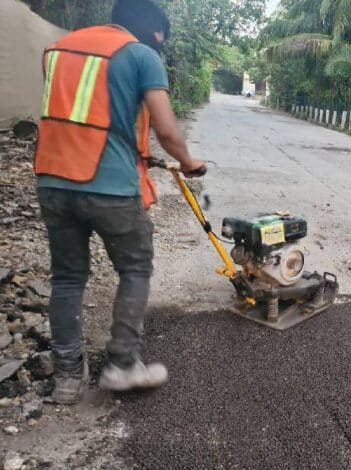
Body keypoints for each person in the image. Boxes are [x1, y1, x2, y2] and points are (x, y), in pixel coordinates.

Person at [35, 0, 206, 404]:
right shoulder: (142, 55)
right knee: (135, 266)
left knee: (67, 277)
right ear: (155, 32)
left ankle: (67, 378)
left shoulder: (59, 49)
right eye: (162, 39)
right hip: (108, 185)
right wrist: (189, 163)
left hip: (52, 182)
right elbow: (166, 130)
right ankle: (123, 364)